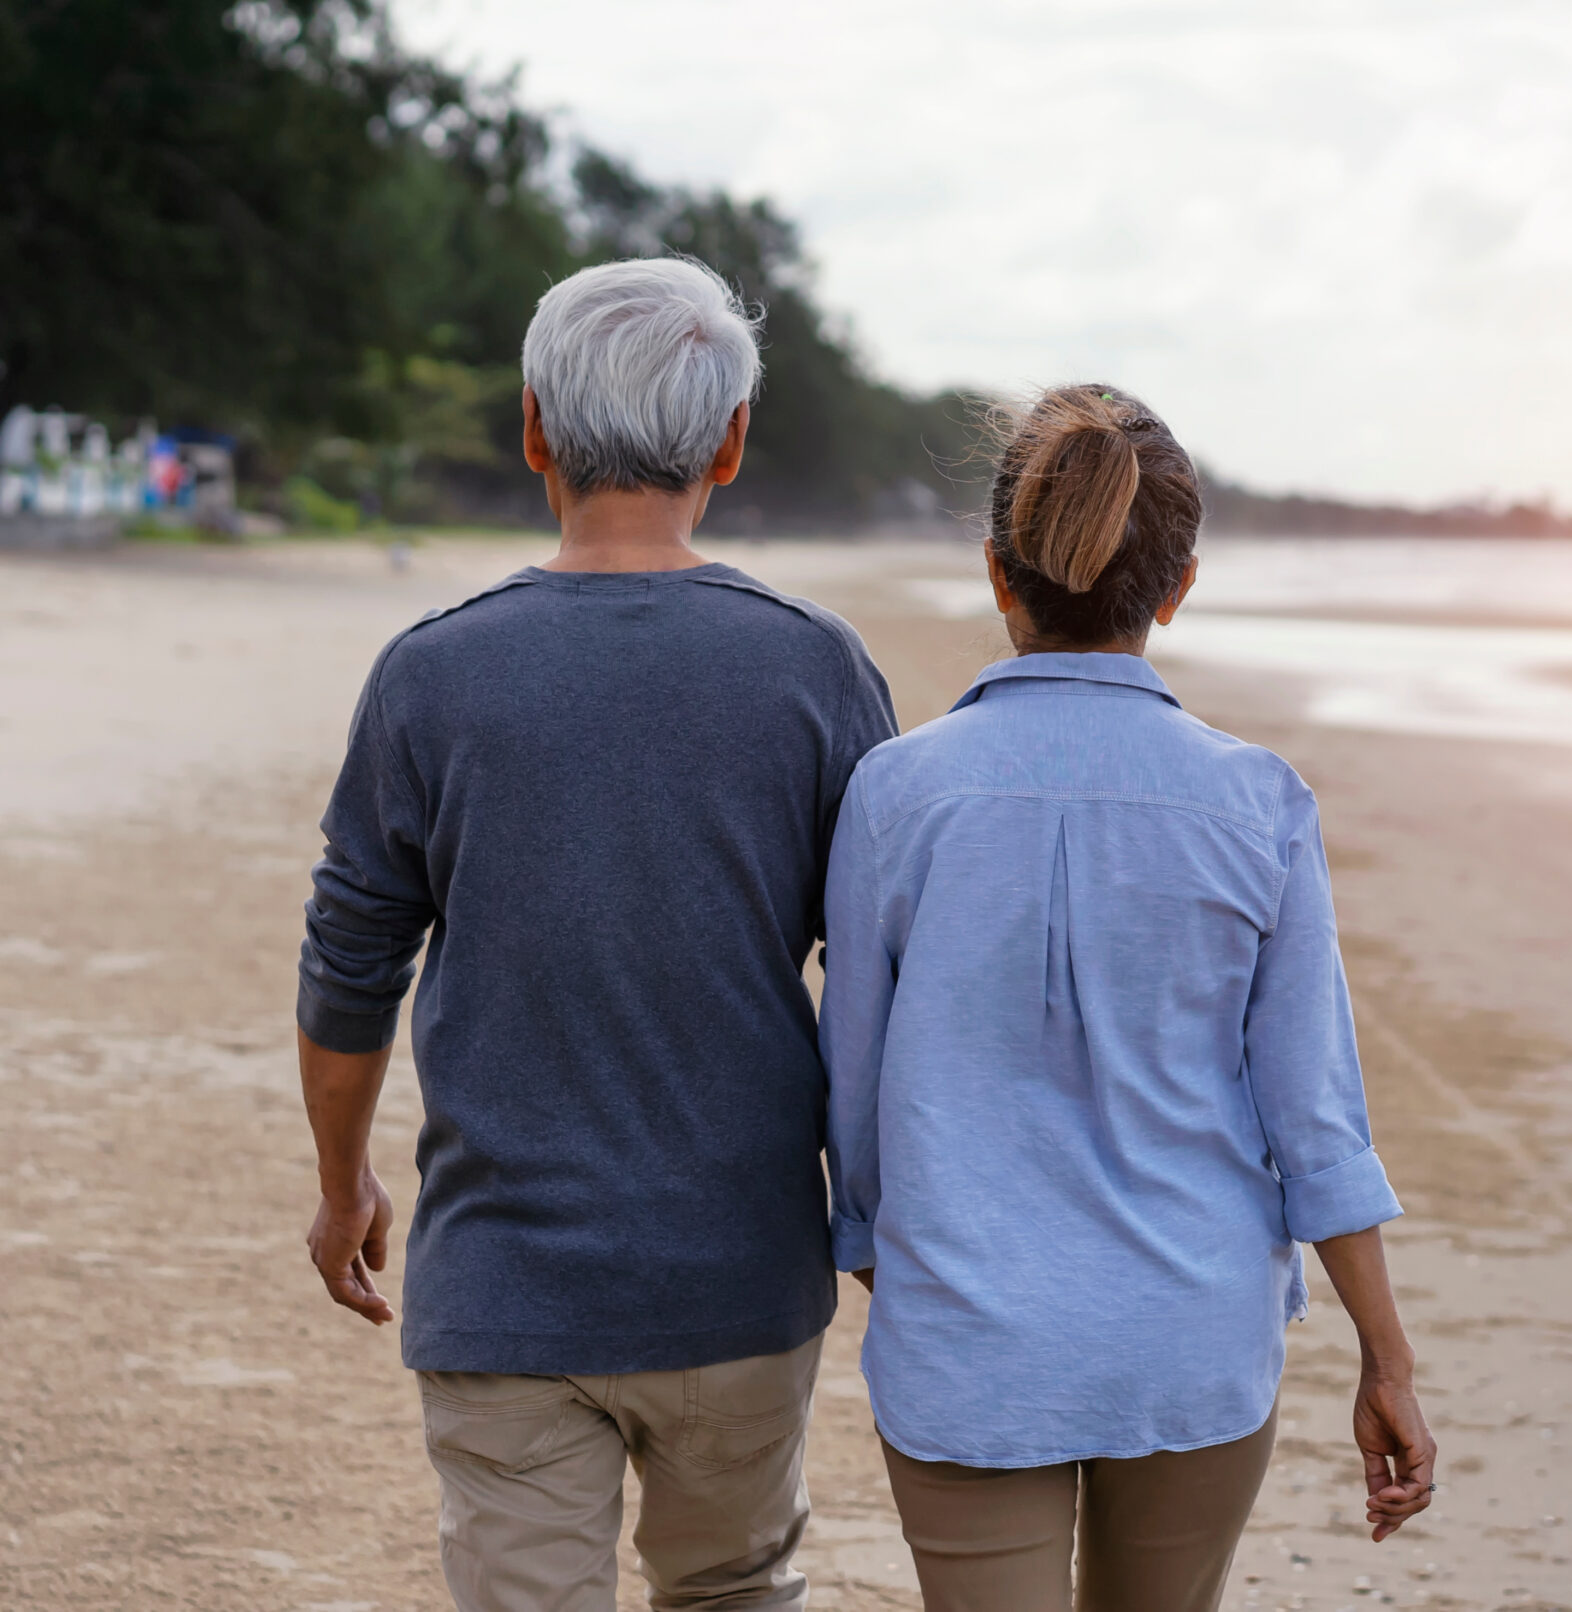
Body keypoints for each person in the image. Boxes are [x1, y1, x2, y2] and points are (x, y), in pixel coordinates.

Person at [295, 256, 898, 1611]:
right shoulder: (816, 667)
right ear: (732, 444)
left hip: (503, 1280)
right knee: (738, 1584)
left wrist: (344, 1185)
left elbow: (350, 966)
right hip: (743, 1273)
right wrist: (871, 1211)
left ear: (532, 432)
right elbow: (880, 976)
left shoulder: (431, 674)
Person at [820, 385, 1436, 1612]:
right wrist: (1387, 1356)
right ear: (1178, 585)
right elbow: (1312, 1114)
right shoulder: (1257, 802)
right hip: (1190, 1335)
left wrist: (892, 1262)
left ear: (999, 571)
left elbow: (854, 1093)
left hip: (968, 1333)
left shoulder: (894, 797)